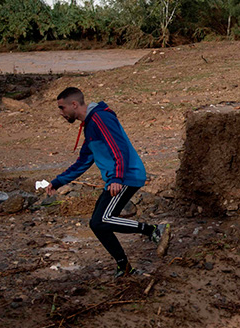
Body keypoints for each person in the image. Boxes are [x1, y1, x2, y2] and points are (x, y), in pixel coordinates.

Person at [45, 87, 170, 277]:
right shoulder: (90, 125)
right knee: (97, 224)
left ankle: (153, 230)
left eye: (62, 108)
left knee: (102, 219)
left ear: (74, 104)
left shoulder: (100, 118)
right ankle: (124, 266)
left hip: (126, 176)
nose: (61, 113)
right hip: (117, 178)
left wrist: (117, 177)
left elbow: (119, 148)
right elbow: (84, 161)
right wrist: (58, 182)